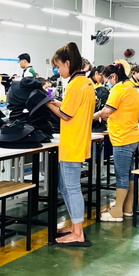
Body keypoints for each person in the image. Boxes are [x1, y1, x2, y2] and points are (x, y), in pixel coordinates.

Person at [45, 42, 94, 247]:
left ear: (67, 63)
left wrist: (47, 103)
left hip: (72, 143)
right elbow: (74, 108)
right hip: (80, 140)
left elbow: (66, 115)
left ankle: (78, 233)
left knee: (72, 188)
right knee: (67, 186)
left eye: (58, 66)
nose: (58, 70)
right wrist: (57, 102)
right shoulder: (86, 83)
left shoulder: (74, 85)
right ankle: (75, 227)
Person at [94, 63, 139, 222]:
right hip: (131, 136)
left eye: (107, 80)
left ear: (113, 77)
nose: (107, 83)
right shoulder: (131, 86)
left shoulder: (119, 89)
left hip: (122, 137)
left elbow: (107, 111)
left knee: (121, 175)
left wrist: (95, 115)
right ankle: (128, 207)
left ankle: (117, 211)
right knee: (128, 173)